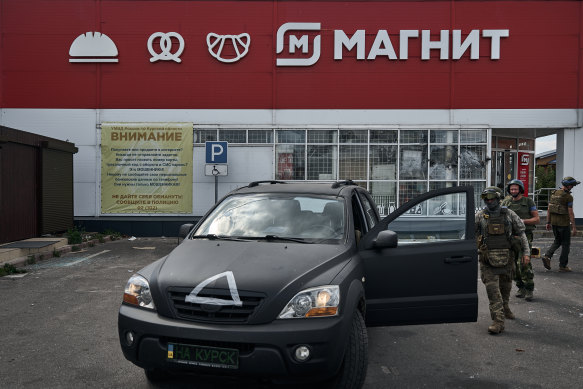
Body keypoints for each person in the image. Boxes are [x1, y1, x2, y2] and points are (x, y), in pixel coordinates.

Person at [476, 186, 530, 334]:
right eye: (486, 198)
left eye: (492, 198)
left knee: (505, 287)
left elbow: (522, 233)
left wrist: (526, 253)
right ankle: (498, 321)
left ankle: (505, 307)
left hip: (507, 258)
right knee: (493, 291)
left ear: (498, 198)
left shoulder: (509, 214)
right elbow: (471, 235)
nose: (489, 201)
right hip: (487, 261)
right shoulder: (480, 216)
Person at [501, 179, 539, 301]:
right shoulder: (506, 202)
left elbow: (536, 219)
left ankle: (529, 288)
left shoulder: (528, 201)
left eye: (515, 189)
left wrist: (523, 221)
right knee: (512, 265)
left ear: (520, 190)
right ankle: (520, 287)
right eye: (511, 189)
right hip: (510, 237)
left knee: (523, 262)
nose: (513, 191)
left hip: (524, 235)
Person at [543, 176, 580, 272]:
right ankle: (563, 266)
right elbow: (570, 212)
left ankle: (547, 256)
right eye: (572, 185)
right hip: (564, 224)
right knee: (566, 244)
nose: (572, 187)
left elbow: (549, 209)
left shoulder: (554, 193)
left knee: (557, 241)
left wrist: (548, 222)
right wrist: (574, 227)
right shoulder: (568, 197)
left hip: (554, 223)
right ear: (569, 186)